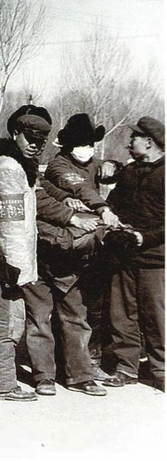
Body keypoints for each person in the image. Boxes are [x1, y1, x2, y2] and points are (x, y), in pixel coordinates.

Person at [0, 105, 96, 401]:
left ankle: (57, 376)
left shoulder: (25, 165)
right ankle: (13, 380)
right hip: (15, 259)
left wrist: (71, 216)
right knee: (18, 321)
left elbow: (40, 197)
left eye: (41, 139)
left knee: (32, 319)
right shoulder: (8, 167)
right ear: (15, 134)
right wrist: (15, 266)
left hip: (28, 256)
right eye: (30, 137)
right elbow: (11, 222)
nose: (35, 144)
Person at [26, 113, 110, 397]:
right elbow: (75, 187)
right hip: (45, 250)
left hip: (69, 258)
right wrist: (97, 209)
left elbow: (93, 175)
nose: (89, 148)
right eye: (83, 143)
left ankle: (80, 375)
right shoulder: (60, 166)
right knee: (40, 318)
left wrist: (113, 167)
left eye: (91, 143)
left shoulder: (88, 164)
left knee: (75, 315)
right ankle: (44, 376)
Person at [102, 116, 164, 392]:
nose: (129, 144)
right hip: (124, 255)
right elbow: (112, 204)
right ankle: (126, 368)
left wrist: (145, 236)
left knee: (156, 316)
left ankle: (161, 370)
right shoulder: (129, 172)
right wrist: (112, 221)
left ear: (148, 142)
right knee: (122, 313)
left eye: (134, 139)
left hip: (156, 258)